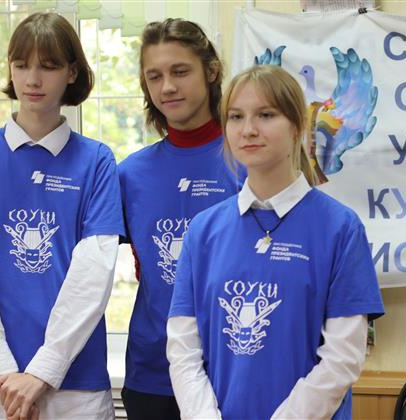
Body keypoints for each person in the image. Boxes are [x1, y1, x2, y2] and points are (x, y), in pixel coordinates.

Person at [167, 65, 385, 419]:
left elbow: (343, 358)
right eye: (236, 117)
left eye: (266, 115)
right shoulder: (203, 231)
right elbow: (183, 349)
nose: (248, 129)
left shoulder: (340, 229)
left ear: (297, 125)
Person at [0, 12, 124, 420]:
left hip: (75, 385)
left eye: (49, 66)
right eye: (21, 65)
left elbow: (94, 273)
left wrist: (44, 370)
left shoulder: (97, 161)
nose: (33, 79)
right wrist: (1, 369)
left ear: (72, 72)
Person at [118, 18, 241, 420]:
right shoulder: (130, 174)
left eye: (180, 71)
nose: (167, 87)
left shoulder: (249, 163)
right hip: (153, 375)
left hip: (233, 370)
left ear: (211, 71)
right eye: (154, 76)